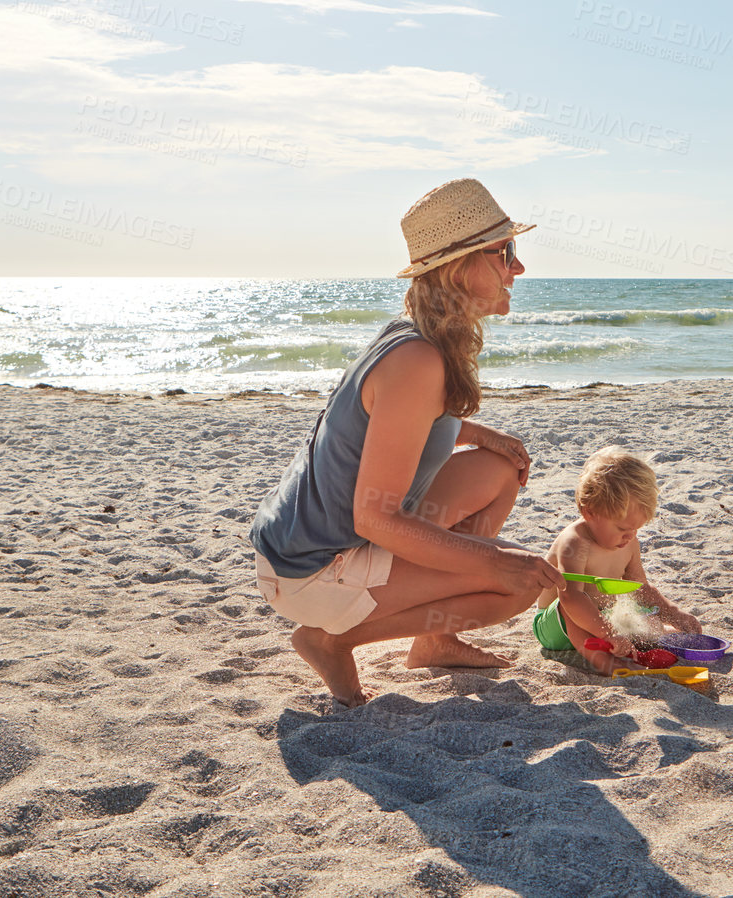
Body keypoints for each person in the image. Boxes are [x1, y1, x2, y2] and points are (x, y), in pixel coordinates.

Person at [250, 178, 562, 706]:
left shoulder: (419, 337)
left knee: (497, 469)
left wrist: (482, 435)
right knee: (518, 583)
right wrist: (491, 562)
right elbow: (376, 520)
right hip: (313, 567)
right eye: (505, 252)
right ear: (462, 267)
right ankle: (332, 639)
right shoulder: (418, 360)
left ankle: (434, 638)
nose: (519, 268)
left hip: (325, 537)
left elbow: (397, 428)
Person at [532, 446, 701, 676]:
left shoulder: (629, 542)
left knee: (642, 616)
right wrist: (608, 633)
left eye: (636, 528)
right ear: (589, 511)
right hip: (556, 628)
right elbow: (571, 596)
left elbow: (640, 588)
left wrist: (673, 612)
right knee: (569, 602)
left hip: (602, 620)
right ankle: (603, 661)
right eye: (622, 528)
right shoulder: (575, 542)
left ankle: (660, 636)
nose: (630, 536)